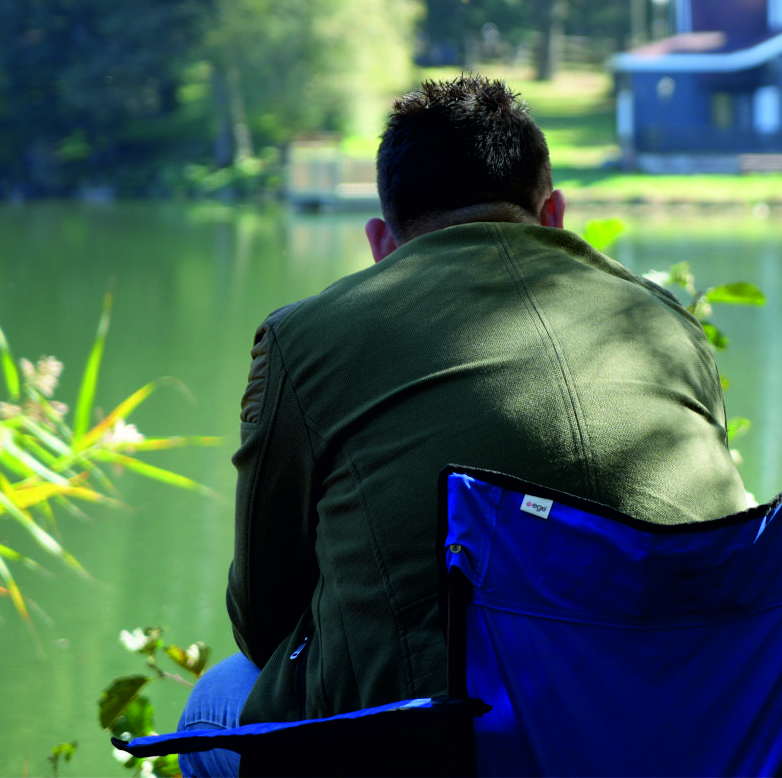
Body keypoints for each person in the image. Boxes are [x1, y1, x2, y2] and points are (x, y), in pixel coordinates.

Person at [177, 76, 750, 777]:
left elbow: (265, 622)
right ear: (555, 214)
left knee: (217, 697)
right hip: (689, 734)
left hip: (449, 753)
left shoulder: (307, 339)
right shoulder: (663, 321)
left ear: (381, 242)